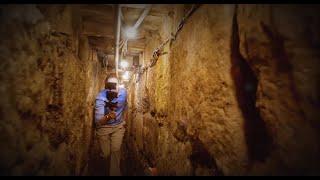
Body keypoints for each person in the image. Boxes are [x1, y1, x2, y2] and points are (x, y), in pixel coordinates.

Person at [94, 76, 127, 176]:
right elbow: (98, 122)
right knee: (106, 154)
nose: (113, 88)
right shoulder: (100, 98)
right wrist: (108, 116)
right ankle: (103, 170)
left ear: (118, 86)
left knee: (116, 150)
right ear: (105, 86)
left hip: (118, 126)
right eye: (110, 85)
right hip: (104, 128)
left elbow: (125, 102)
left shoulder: (123, 92)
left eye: (115, 85)